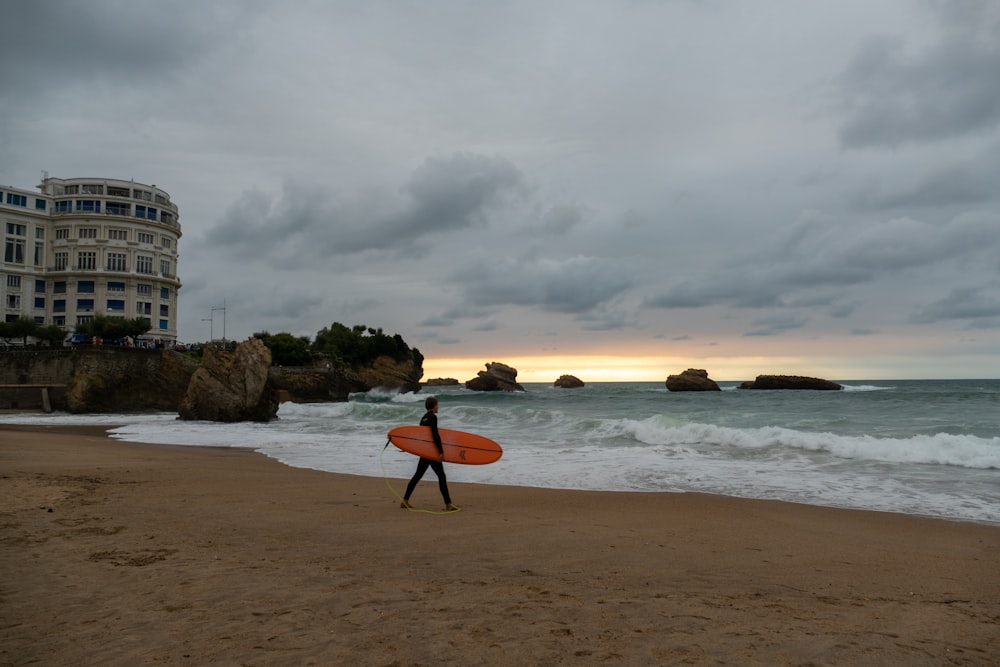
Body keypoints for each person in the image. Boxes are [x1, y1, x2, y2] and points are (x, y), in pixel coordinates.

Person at [401, 396, 458, 511]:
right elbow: (435, 435)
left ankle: (405, 501)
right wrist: (441, 451)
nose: (438, 407)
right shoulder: (433, 417)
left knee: (418, 475)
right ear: (433, 406)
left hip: (425, 452)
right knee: (441, 476)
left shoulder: (424, 418)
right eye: (437, 405)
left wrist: (415, 448)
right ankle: (448, 504)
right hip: (431, 452)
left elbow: (421, 436)